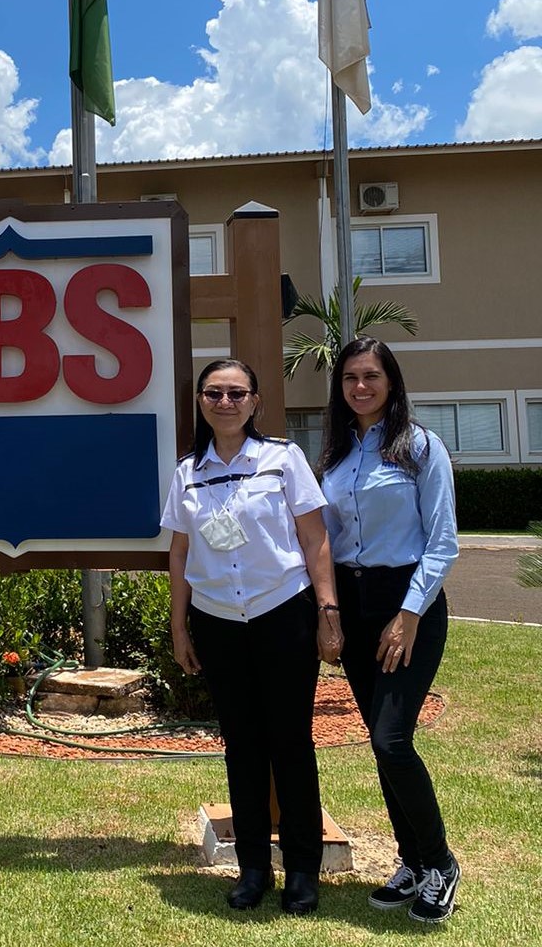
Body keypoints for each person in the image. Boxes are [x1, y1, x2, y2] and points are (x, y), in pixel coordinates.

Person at [163, 359, 342, 914]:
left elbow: (314, 539)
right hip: (218, 622)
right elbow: (180, 551)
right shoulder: (187, 471)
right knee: (241, 747)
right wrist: (179, 626)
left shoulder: (283, 459)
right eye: (214, 393)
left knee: (291, 743)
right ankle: (253, 869)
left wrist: (327, 609)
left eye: (236, 392)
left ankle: (303, 870)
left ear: (255, 401)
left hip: (281, 614)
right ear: (200, 402)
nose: (225, 401)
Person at [320, 337, 461, 924]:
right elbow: (322, 538)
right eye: (351, 377)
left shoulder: (421, 448)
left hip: (408, 605)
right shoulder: (334, 455)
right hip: (353, 606)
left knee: (391, 739)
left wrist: (408, 614)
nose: (360, 386)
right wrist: (328, 612)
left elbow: (443, 541)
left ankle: (440, 863)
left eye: (371, 375)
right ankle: (413, 861)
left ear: (391, 381)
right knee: (382, 743)